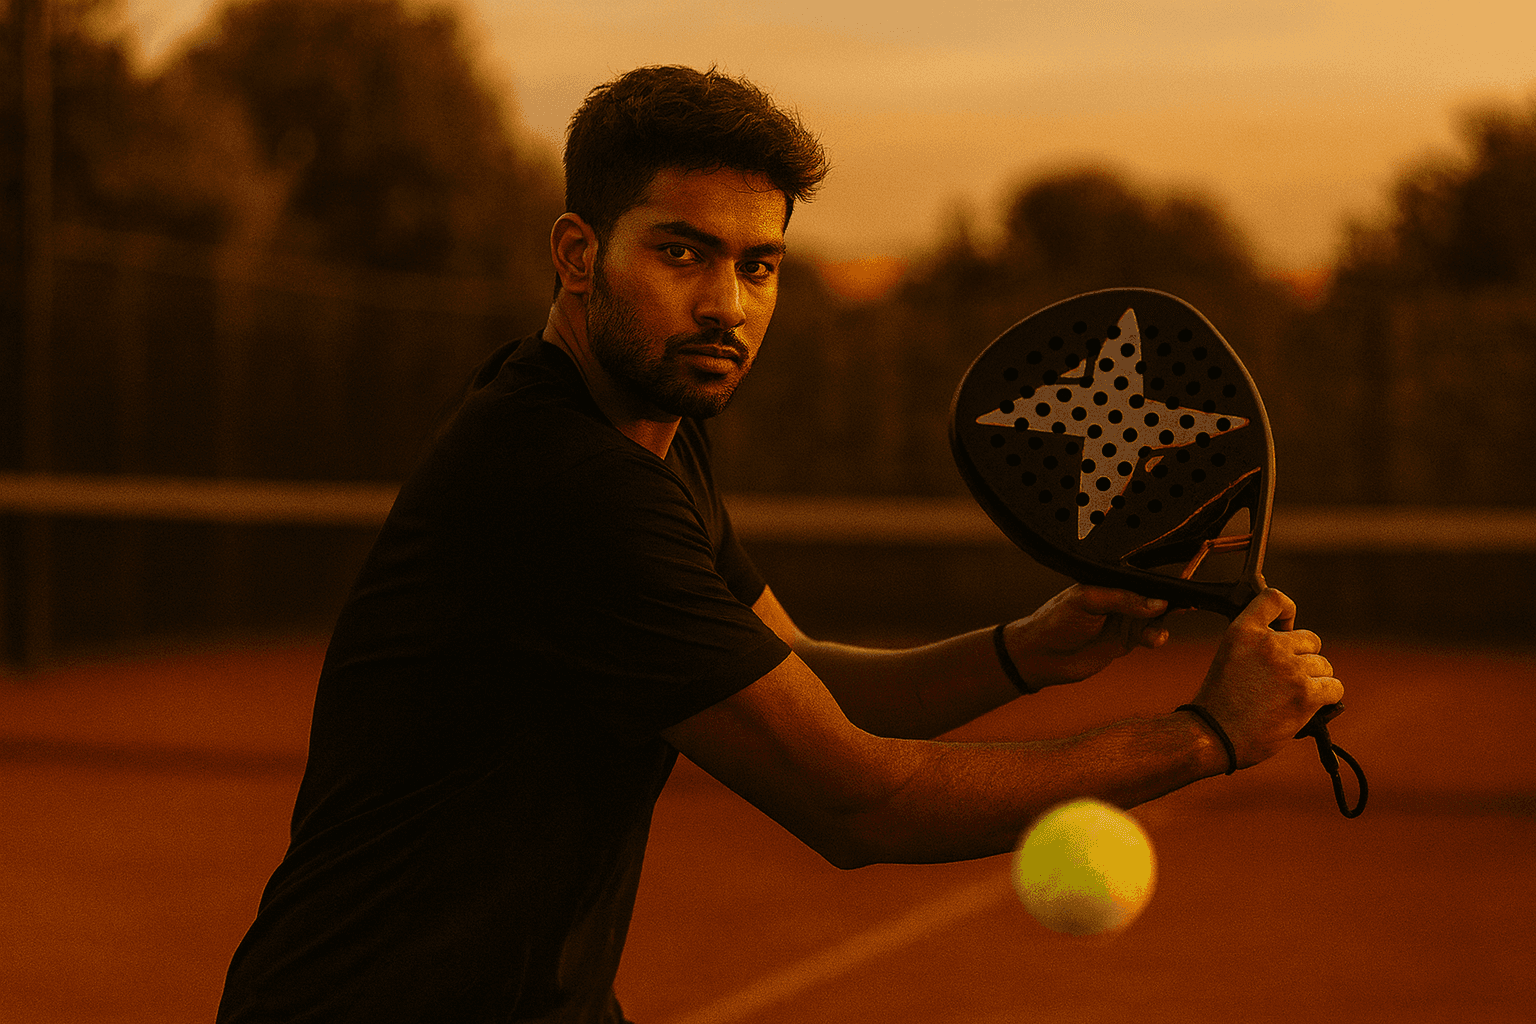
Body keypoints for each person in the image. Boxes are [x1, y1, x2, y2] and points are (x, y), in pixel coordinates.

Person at [216, 65, 1342, 1023]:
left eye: (759, 266)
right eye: (684, 254)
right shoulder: (567, 481)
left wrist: (1026, 651)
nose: (728, 305)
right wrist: (1207, 737)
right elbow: (859, 801)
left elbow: (804, 678)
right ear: (576, 252)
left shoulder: (644, 430)